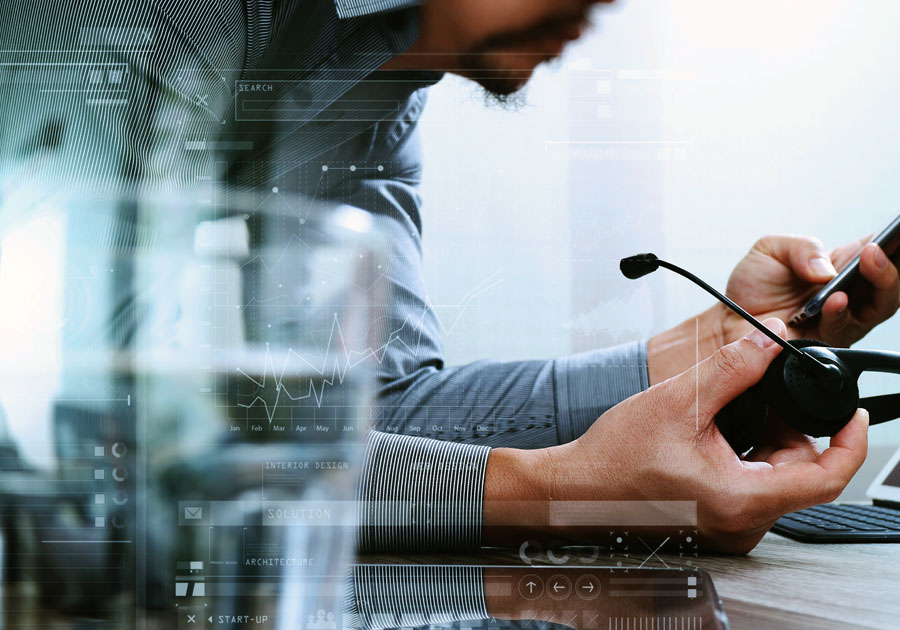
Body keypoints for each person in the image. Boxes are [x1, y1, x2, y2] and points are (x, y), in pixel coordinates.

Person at [0, 0, 897, 556]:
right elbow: (83, 452)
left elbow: (372, 418)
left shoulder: (384, 93)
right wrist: (562, 499)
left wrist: (720, 350)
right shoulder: (142, 17)